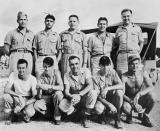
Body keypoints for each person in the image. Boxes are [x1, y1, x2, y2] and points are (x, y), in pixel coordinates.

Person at [59, 55, 97, 128]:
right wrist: (71, 97)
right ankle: (77, 113)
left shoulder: (86, 71)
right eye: (72, 64)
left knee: (93, 93)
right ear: (69, 65)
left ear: (80, 63)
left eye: (76, 64)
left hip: (84, 97)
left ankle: (85, 117)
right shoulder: (66, 75)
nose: (75, 66)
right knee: (62, 105)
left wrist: (79, 95)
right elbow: (66, 91)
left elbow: (90, 85)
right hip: (74, 99)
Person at [122, 55, 155, 127]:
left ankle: (145, 117)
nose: (135, 66)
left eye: (136, 64)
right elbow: (121, 93)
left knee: (152, 96)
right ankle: (129, 114)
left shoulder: (143, 73)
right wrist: (132, 103)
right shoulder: (124, 76)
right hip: (129, 100)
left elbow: (151, 86)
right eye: (132, 64)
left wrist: (139, 94)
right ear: (128, 65)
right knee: (126, 108)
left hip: (139, 98)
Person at [93, 56, 124, 129]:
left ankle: (117, 118)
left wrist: (107, 88)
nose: (105, 67)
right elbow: (98, 96)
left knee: (119, 92)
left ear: (110, 65)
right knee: (98, 108)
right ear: (99, 66)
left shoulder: (112, 72)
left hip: (112, 98)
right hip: (102, 100)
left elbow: (121, 85)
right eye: (103, 65)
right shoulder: (95, 76)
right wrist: (109, 105)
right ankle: (102, 115)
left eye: (107, 65)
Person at [3, 59, 37, 124]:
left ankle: (23, 114)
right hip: (17, 97)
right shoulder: (13, 75)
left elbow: (35, 97)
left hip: (27, 99)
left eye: (23, 68)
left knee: (30, 113)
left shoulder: (32, 79)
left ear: (27, 68)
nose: (21, 70)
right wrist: (19, 96)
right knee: (6, 96)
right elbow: (6, 89)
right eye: (19, 68)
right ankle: (12, 115)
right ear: (17, 68)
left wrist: (24, 104)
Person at [114, 9, 144, 76]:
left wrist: (137, 53)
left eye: (128, 16)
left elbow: (141, 42)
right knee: (122, 76)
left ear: (131, 16)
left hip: (134, 55)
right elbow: (117, 43)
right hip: (122, 56)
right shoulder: (118, 30)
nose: (126, 18)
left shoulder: (137, 28)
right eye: (124, 16)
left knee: (136, 76)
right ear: (121, 17)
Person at [34, 57, 63, 125]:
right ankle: (50, 114)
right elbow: (39, 95)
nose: (46, 69)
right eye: (44, 67)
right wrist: (38, 90)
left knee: (58, 94)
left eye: (48, 67)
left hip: (55, 97)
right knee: (36, 105)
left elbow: (62, 87)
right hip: (48, 98)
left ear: (52, 66)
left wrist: (50, 87)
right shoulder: (41, 76)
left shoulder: (56, 73)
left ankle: (57, 116)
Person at [33, 14, 61, 79]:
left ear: (53, 23)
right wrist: (36, 60)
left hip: (52, 58)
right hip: (40, 58)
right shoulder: (38, 34)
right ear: (44, 22)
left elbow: (60, 51)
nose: (49, 23)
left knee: (52, 79)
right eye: (47, 21)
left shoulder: (56, 35)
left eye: (51, 21)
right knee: (39, 78)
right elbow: (35, 49)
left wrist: (56, 61)